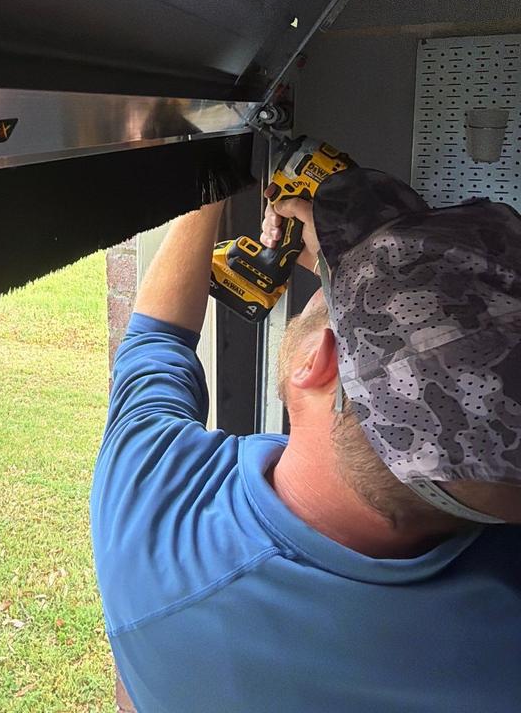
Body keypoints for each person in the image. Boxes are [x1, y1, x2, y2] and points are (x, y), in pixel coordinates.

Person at [90, 167, 521, 713]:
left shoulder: (158, 532)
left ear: (318, 363)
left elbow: (156, 341)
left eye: (328, 293)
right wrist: (346, 274)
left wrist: (209, 187)